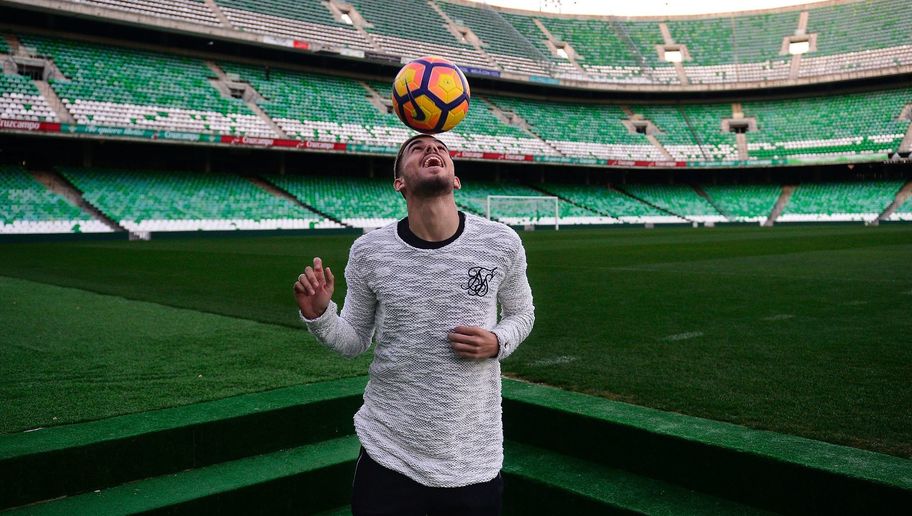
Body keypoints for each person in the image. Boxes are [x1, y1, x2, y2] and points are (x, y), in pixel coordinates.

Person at [294, 134, 535, 515]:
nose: (432, 150)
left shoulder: (501, 242)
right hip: (389, 452)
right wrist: (319, 315)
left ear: (456, 179)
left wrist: (497, 341)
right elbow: (354, 340)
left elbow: (522, 314)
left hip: (472, 456)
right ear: (399, 183)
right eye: (417, 149)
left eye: (441, 149)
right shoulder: (369, 251)